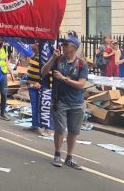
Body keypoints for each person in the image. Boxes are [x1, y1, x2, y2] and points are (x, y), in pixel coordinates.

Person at [41, 36, 87, 170]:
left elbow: (81, 84)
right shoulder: (58, 60)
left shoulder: (81, 64)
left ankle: (70, 157)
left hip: (77, 103)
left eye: (66, 44)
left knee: (74, 131)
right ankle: (57, 154)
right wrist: (52, 58)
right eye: (63, 44)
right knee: (60, 129)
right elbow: (43, 72)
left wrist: (63, 78)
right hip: (59, 101)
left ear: (74, 47)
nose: (63, 46)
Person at [0, 39, 14, 125]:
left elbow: (6, 62)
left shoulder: (3, 49)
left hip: (3, 73)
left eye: (1, 39)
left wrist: (11, 73)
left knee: (4, 93)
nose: (0, 41)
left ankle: (2, 113)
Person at [24, 42, 44, 134]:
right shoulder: (34, 55)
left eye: (33, 45)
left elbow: (46, 71)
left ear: (37, 45)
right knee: (34, 106)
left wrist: (41, 82)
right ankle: (34, 124)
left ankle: (39, 125)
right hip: (31, 84)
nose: (31, 46)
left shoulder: (42, 56)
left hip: (37, 85)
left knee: (38, 105)